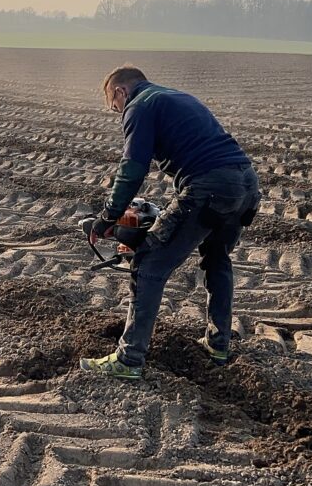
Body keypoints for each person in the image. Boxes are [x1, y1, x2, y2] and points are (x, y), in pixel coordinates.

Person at [80, 65, 260, 380]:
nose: (118, 112)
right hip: (246, 185)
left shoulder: (138, 105)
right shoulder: (174, 96)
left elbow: (132, 168)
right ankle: (218, 345)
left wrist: (107, 217)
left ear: (122, 91)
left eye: (115, 106)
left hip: (209, 187)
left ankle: (129, 359)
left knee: (148, 263)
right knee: (217, 258)